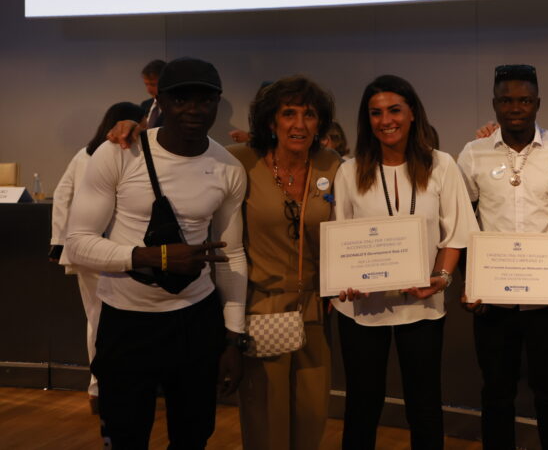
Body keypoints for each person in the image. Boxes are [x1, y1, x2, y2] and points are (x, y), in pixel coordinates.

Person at [66, 57, 248, 448]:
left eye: (205, 100)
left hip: (196, 322)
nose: (194, 110)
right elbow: (78, 241)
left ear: (218, 102)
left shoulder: (228, 168)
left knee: (194, 435)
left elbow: (231, 256)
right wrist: (154, 258)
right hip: (127, 321)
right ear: (160, 100)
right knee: (126, 434)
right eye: (182, 99)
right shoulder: (119, 153)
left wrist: (233, 338)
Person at [332, 74, 474, 449]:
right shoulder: (349, 170)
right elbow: (340, 239)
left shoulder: (442, 166)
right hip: (363, 307)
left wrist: (440, 279)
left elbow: (456, 234)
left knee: (424, 405)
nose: (386, 120)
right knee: (362, 404)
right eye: (376, 113)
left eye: (395, 109)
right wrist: (343, 278)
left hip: (421, 304)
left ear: (413, 113)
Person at [456, 64, 548, 449]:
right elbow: (462, 225)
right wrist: (467, 285)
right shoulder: (472, 155)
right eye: (506, 100)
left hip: (546, 301)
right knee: (496, 392)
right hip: (492, 301)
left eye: (524, 100)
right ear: (494, 104)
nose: (515, 108)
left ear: (537, 103)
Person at [228, 76, 341, 450]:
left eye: (309, 115)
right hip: (261, 309)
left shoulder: (332, 165)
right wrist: (131, 128)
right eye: (288, 113)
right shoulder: (241, 161)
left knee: (311, 417)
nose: (299, 124)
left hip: (316, 309)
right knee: (265, 422)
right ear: (270, 122)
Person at [49, 101, 146, 418]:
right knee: (119, 322)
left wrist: (58, 242)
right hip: (116, 251)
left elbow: (62, 195)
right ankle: (116, 387)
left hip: (84, 251)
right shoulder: (127, 154)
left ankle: (97, 387)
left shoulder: (84, 154)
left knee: (95, 319)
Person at [139, 59, 166, 129]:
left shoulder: (174, 108)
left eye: (153, 85)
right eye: (146, 84)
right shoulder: (144, 105)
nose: (148, 90)